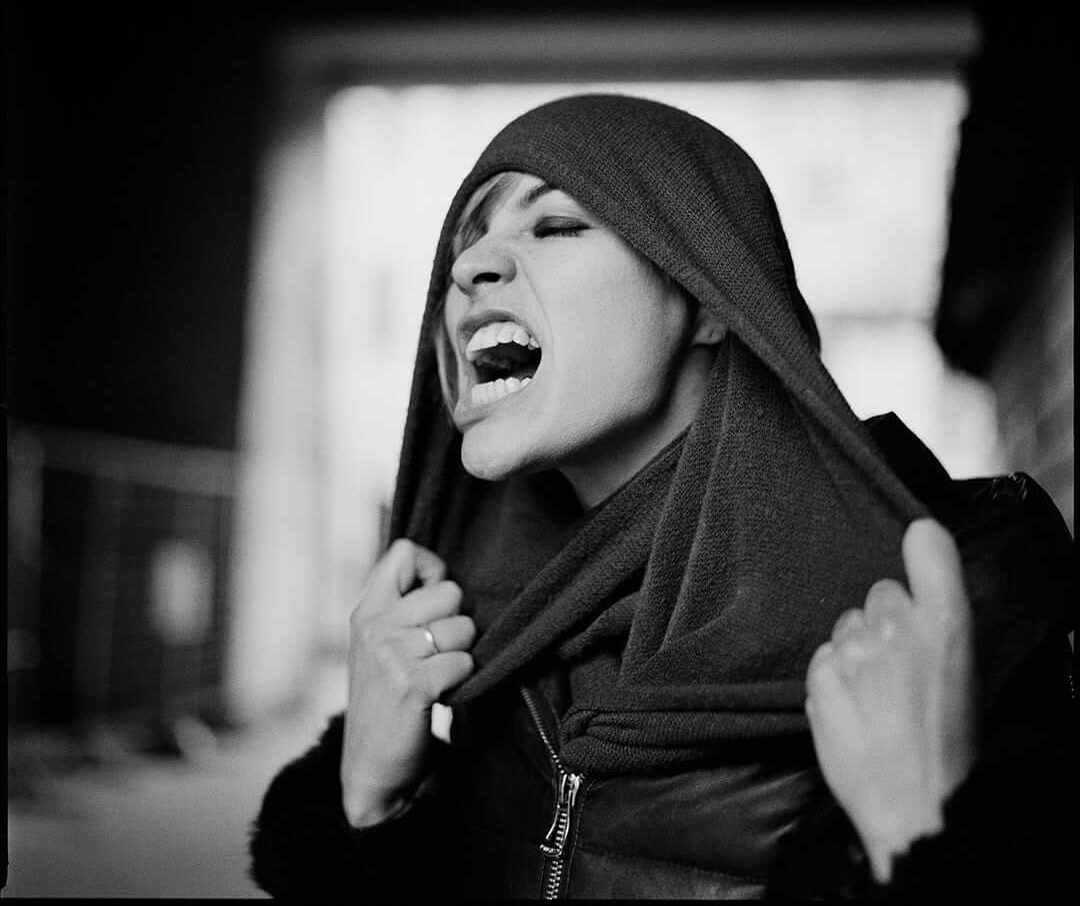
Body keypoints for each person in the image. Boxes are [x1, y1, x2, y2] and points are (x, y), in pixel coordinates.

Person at [249, 94, 1077, 898]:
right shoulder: (477, 630)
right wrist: (363, 804)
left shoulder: (941, 604)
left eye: (558, 225)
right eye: (467, 245)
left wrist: (926, 845)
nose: (466, 268)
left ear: (709, 298)